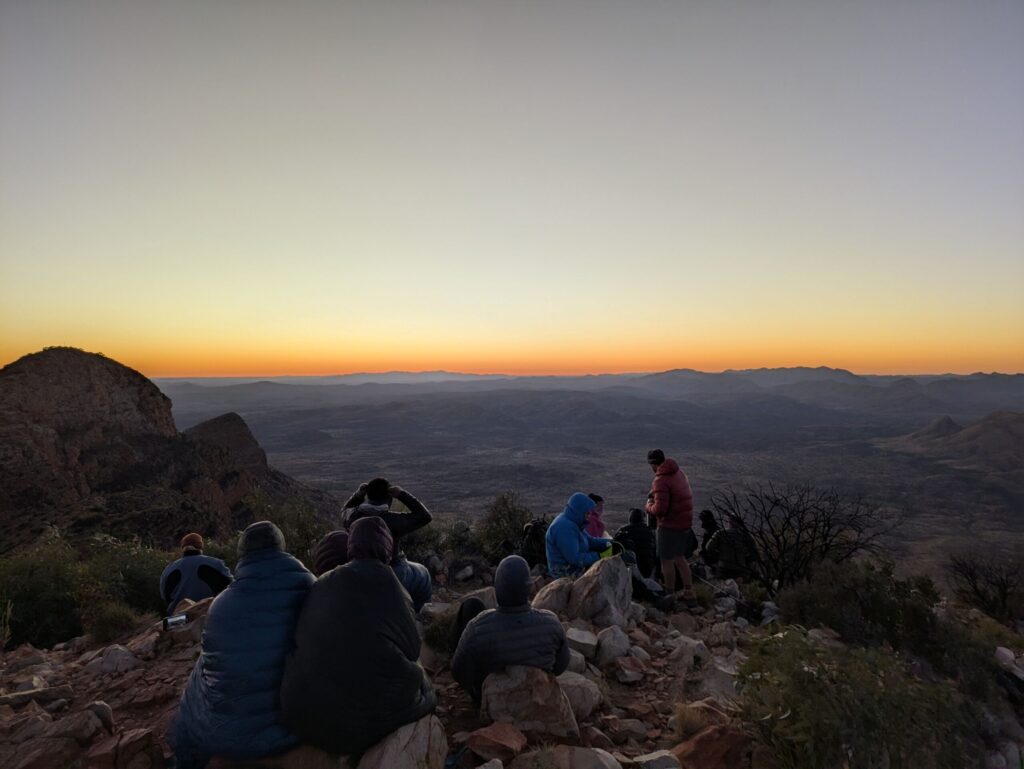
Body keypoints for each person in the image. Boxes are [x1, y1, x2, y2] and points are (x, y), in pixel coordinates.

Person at [281, 517, 437, 758]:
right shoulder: (391, 584)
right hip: (361, 723)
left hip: (305, 716)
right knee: (421, 682)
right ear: (387, 548)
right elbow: (412, 648)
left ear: (351, 546)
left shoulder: (321, 584)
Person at [172, 522, 314, 769]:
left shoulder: (221, 605)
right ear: (281, 547)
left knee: (201, 671)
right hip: (292, 728)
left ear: (243, 555)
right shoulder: (310, 586)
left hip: (225, 736)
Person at [451, 555, 570, 705]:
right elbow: (560, 667)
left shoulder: (477, 627)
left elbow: (459, 673)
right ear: (529, 588)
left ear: (497, 587)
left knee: (471, 605)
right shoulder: (551, 623)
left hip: (491, 702)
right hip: (536, 702)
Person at [343, 477, 433, 611]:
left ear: (368, 497)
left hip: (358, 567)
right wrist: (402, 494)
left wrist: (357, 495)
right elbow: (425, 516)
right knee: (423, 574)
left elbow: (345, 510)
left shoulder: (353, 517)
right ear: (389, 499)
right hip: (393, 569)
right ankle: (417, 616)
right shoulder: (394, 521)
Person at [644, 449, 698, 607]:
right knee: (680, 558)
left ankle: (670, 593)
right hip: (684, 523)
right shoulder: (678, 472)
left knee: (666, 560)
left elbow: (660, 510)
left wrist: (648, 506)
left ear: (653, 463)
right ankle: (689, 593)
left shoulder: (660, 480)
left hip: (669, 525)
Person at [158, 533, 232, 613]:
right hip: (209, 614)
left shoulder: (169, 569)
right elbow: (231, 587)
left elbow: (165, 596)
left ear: (183, 548)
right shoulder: (216, 564)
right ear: (200, 547)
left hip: (179, 618)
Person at [544, 492, 613, 578]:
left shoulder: (574, 522)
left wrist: (611, 543)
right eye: (587, 513)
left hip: (575, 567)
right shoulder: (564, 528)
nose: (589, 516)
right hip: (565, 573)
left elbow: (590, 540)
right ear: (579, 511)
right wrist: (600, 556)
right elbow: (575, 559)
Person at [705, 515, 758, 580]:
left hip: (724, 567)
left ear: (729, 522)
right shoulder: (746, 535)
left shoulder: (719, 533)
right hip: (741, 568)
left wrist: (719, 554)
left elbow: (708, 548)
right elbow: (754, 551)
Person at [614, 508, 657, 580]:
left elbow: (615, 546)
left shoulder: (623, 530)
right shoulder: (650, 531)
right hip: (648, 566)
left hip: (629, 568)